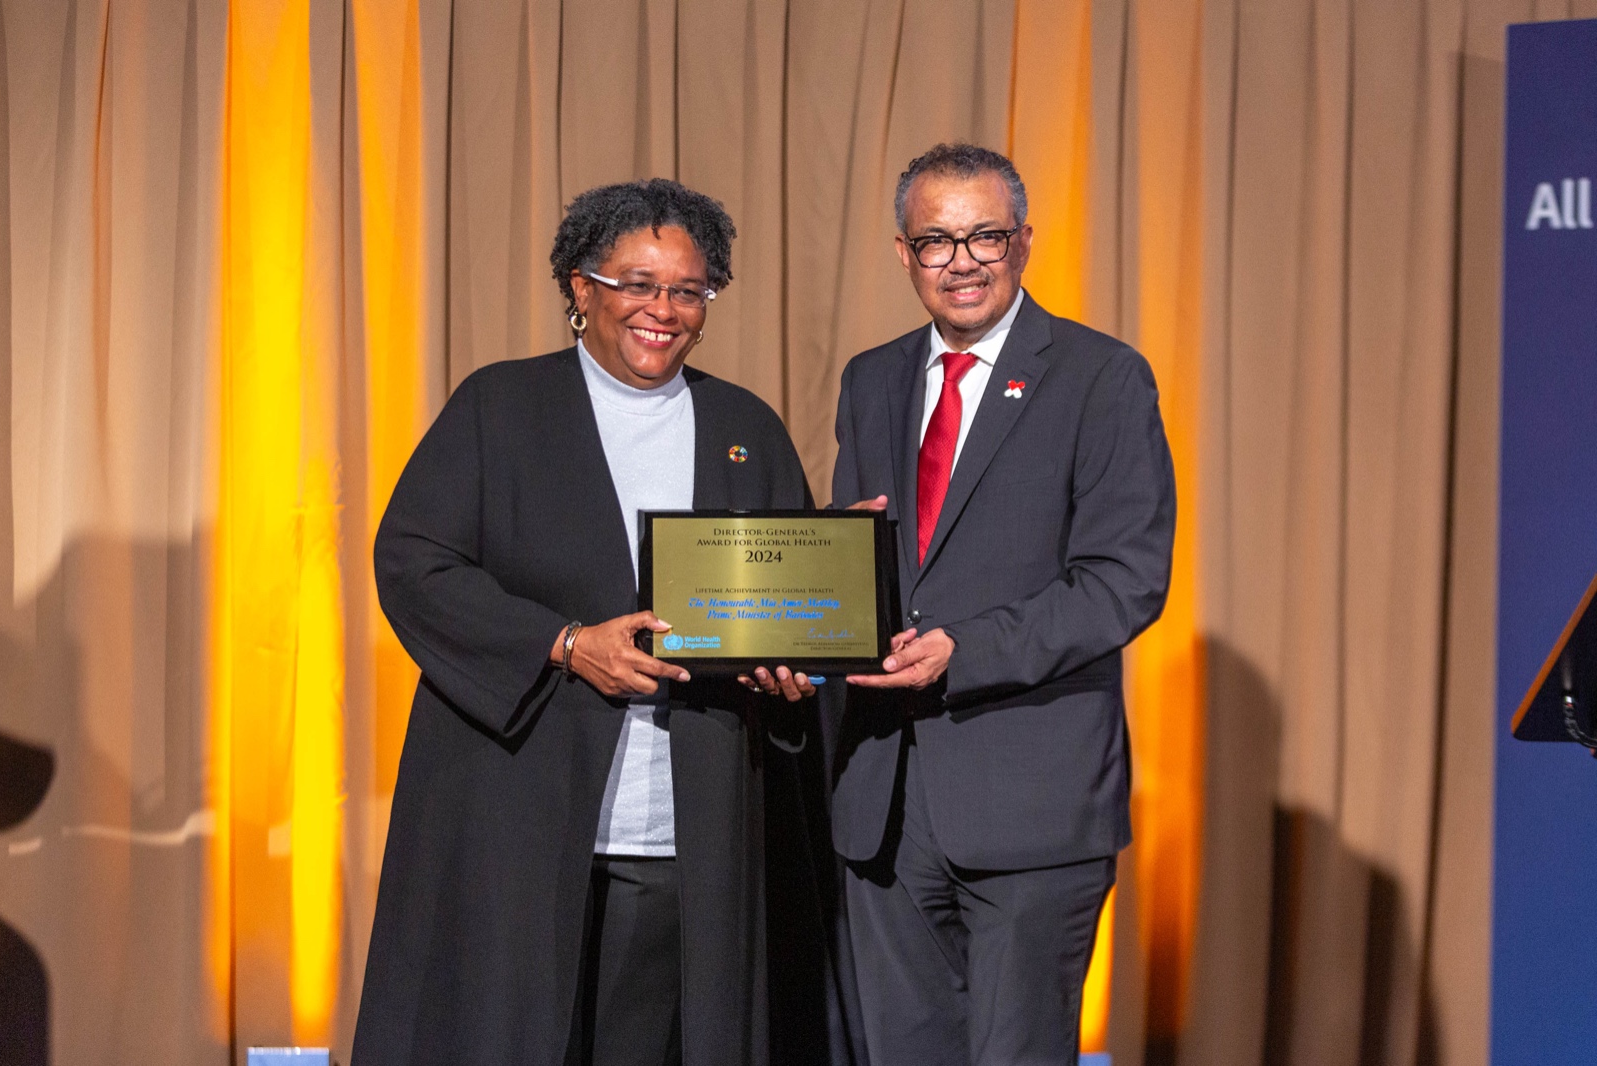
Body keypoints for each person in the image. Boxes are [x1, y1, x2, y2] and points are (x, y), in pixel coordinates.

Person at [352, 178, 849, 1066]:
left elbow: (783, 617)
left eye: (688, 290)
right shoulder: (498, 407)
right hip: (513, 811)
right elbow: (413, 564)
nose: (664, 310)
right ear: (581, 290)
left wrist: (794, 661)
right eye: (638, 284)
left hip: (680, 830)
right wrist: (565, 645)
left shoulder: (745, 427)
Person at [827, 143, 1176, 1065]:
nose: (962, 260)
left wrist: (963, 648)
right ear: (904, 254)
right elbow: (859, 562)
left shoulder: (1102, 376)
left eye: (985, 235)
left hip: (1033, 802)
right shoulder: (872, 378)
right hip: (886, 803)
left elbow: (1123, 579)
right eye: (936, 240)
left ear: (1024, 242)